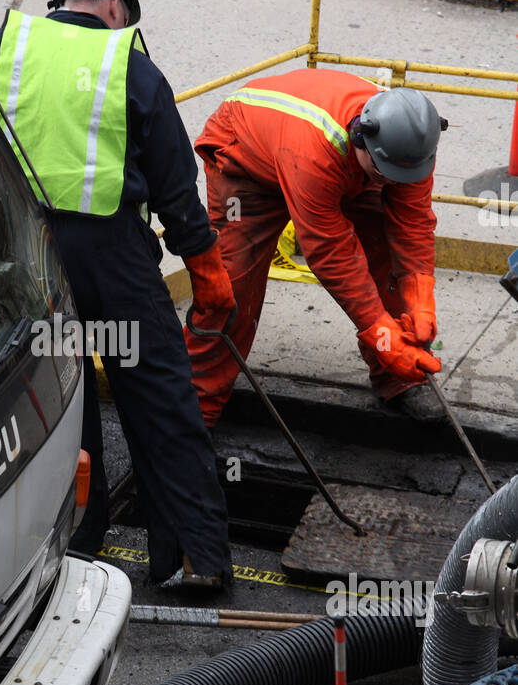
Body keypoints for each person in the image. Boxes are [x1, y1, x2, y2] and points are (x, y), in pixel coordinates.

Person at [0, 0, 235, 588]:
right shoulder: (130, 71)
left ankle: (77, 549)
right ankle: (194, 555)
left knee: (61, 400)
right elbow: (174, 187)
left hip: (25, 259)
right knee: (160, 400)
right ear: (118, 5)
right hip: (112, 259)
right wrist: (205, 267)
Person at [184, 68, 447, 424]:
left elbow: (413, 225)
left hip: (332, 164)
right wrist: (382, 335)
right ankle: (196, 407)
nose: (393, 182)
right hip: (246, 163)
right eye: (385, 172)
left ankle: (398, 376)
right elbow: (331, 253)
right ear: (360, 138)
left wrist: (420, 302)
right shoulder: (318, 152)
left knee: (385, 247)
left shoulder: (409, 149)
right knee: (231, 288)